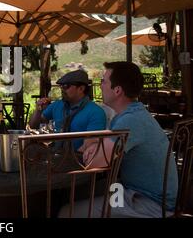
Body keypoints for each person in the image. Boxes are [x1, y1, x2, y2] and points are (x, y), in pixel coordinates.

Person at [60, 62, 178, 218]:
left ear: (117, 90)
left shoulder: (130, 120)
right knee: (79, 193)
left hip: (149, 203)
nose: (100, 86)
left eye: (103, 81)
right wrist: (96, 143)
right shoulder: (132, 114)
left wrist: (91, 143)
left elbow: (93, 163)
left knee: (66, 211)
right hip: (137, 191)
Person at [29, 69, 107, 149]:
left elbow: (91, 145)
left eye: (66, 86)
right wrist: (38, 109)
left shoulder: (96, 112)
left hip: (80, 158)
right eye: (61, 87)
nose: (62, 90)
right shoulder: (58, 105)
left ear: (81, 89)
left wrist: (67, 159)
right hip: (56, 155)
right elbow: (33, 126)